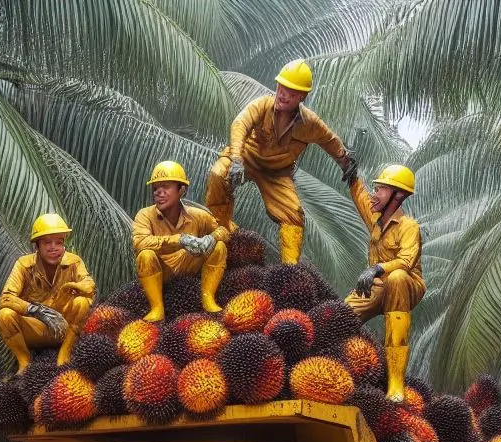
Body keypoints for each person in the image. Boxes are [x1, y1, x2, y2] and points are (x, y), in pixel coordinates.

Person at [205, 60, 356, 264]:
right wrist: (237, 160)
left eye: (290, 92)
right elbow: (240, 123)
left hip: (277, 173)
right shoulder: (263, 104)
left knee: (293, 214)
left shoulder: (310, 123)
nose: (282, 94)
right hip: (246, 158)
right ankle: (221, 232)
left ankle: (290, 268)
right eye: (281, 88)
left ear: (302, 96)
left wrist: (345, 162)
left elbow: (330, 141)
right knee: (218, 174)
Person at [344, 164, 425, 401]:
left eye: (380, 189)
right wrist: (351, 177)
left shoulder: (409, 226)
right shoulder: (376, 219)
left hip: (407, 284)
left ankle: (396, 384)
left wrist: (377, 268)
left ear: (397, 196)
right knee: (341, 316)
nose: (374, 194)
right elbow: (360, 198)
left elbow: (406, 261)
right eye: (375, 188)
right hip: (377, 284)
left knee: (397, 278)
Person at [0, 213, 96, 373]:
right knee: (4, 315)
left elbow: (89, 284)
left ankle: (65, 352)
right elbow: (6, 298)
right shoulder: (23, 265)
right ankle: (24, 361)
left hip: (66, 325)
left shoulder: (74, 261)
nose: (54, 248)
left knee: (82, 302)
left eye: (59, 242)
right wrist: (35, 310)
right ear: (37, 245)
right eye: (48, 243)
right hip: (38, 328)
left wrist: (76, 286)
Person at [133, 161, 228, 322]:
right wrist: (180, 240)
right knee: (145, 255)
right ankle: (157, 308)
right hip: (161, 272)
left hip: (189, 267)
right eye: (155, 188)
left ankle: (208, 298)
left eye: (165, 187)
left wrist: (211, 238)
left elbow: (224, 230)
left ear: (181, 190)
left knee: (219, 247)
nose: (158, 193)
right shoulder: (144, 215)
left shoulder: (199, 216)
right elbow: (140, 242)